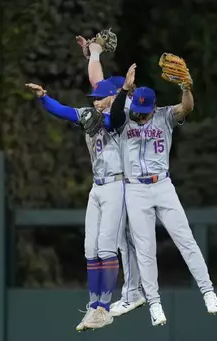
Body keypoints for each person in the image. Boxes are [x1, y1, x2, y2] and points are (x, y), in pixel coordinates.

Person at [109, 64, 217, 326]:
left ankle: (208, 292)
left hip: (162, 185)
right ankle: (154, 304)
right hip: (135, 188)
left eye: (142, 111)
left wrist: (186, 87)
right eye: (135, 109)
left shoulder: (164, 115)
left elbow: (187, 108)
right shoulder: (124, 116)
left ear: (152, 106)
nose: (138, 115)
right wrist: (125, 89)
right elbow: (115, 115)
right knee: (145, 250)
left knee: (186, 239)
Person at [25, 79, 125, 331]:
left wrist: (108, 110)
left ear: (113, 97)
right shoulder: (90, 113)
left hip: (117, 184)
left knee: (106, 247)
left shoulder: (121, 115)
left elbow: (114, 121)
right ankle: (93, 307)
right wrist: (43, 96)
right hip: (98, 186)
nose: (96, 101)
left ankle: (105, 306)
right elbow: (63, 111)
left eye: (101, 97)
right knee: (90, 247)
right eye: (95, 98)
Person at [75, 37, 146, 317]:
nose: (99, 96)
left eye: (111, 92)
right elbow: (97, 82)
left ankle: (132, 293)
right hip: (115, 180)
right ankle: (123, 295)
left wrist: (125, 88)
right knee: (118, 241)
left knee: (124, 241)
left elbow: (113, 105)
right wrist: (94, 53)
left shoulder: (124, 110)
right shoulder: (107, 101)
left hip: (133, 180)